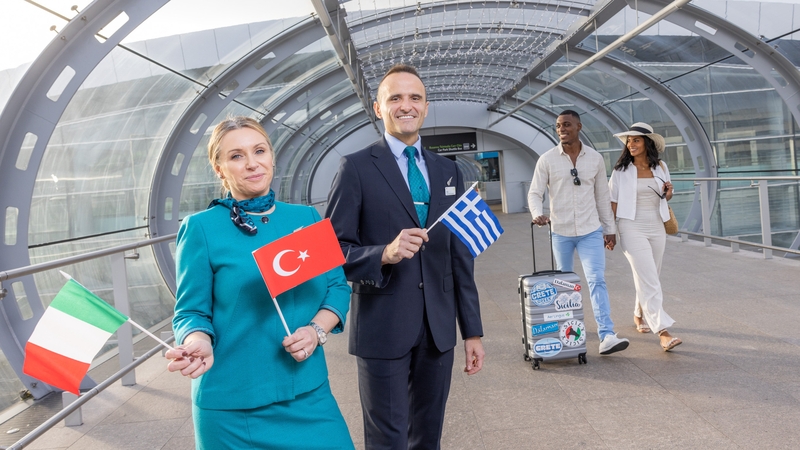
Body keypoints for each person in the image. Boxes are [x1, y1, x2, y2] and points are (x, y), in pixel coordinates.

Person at [164, 117, 354, 449]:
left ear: (272, 157)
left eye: (259, 151)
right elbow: (190, 312)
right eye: (236, 156)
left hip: (307, 391)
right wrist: (198, 340)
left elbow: (337, 288)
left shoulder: (307, 218)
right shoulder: (200, 228)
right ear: (220, 169)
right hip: (232, 405)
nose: (252, 163)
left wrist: (315, 331)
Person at [325, 64, 485, 450]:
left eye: (415, 98)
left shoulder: (448, 170)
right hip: (383, 326)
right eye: (394, 98)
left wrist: (472, 331)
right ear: (378, 108)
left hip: (438, 329)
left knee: (428, 436)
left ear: (426, 107)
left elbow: (460, 256)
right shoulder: (355, 167)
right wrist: (384, 253)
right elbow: (332, 252)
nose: (406, 105)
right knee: (388, 440)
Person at [527, 110, 630, 355]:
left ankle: (606, 335)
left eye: (566, 124)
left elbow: (602, 197)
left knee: (597, 280)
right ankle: (569, 334)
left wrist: (610, 229)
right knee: (565, 287)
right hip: (560, 232)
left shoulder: (595, 159)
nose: (561, 129)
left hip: (590, 231)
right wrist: (537, 213)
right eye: (558, 126)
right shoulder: (547, 159)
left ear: (579, 127)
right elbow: (535, 193)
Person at [609, 122, 682, 352]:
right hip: (631, 226)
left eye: (636, 140)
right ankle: (663, 332)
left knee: (651, 275)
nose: (631, 144)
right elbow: (612, 202)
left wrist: (668, 193)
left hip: (656, 225)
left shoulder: (660, 166)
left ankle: (639, 313)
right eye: (629, 141)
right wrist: (609, 231)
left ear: (647, 143)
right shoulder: (620, 171)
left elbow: (666, 196)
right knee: (649, 277)